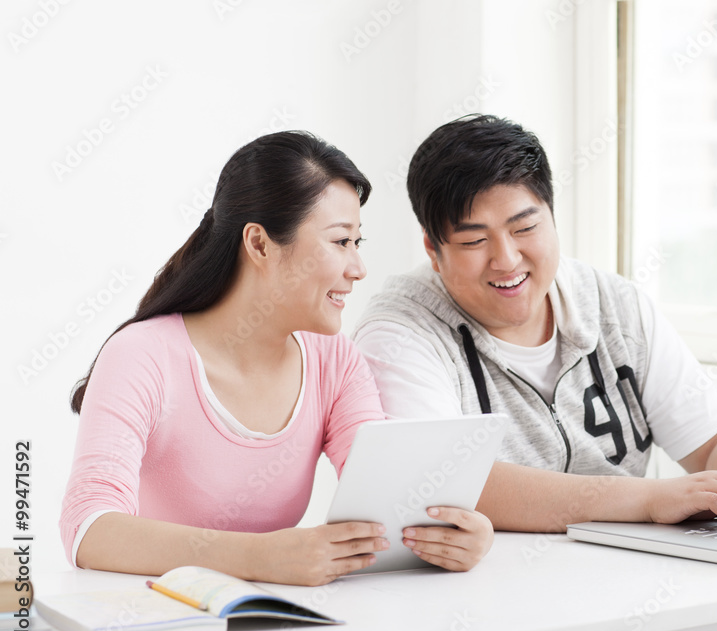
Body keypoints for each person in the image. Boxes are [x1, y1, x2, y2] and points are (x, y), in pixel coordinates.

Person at [353, 115, 717, 631]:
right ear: (433, 249)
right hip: (493, 629)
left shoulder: (614, 305)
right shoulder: (398, 332)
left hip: (637, 609)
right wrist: (650, 499)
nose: (507, 259)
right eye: (473, 240)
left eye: (525, 227)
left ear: (553, 219)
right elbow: (448, 482)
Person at [60, 130, 493, 586]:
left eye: (357, 243)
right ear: (260, 244)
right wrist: (256, 558)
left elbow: (391, 499)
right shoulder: (142, 356)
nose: (358, 268)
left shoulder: (335, 362)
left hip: (274, 628)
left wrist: (456, 532)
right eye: (340, 241)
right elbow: (88, 529)